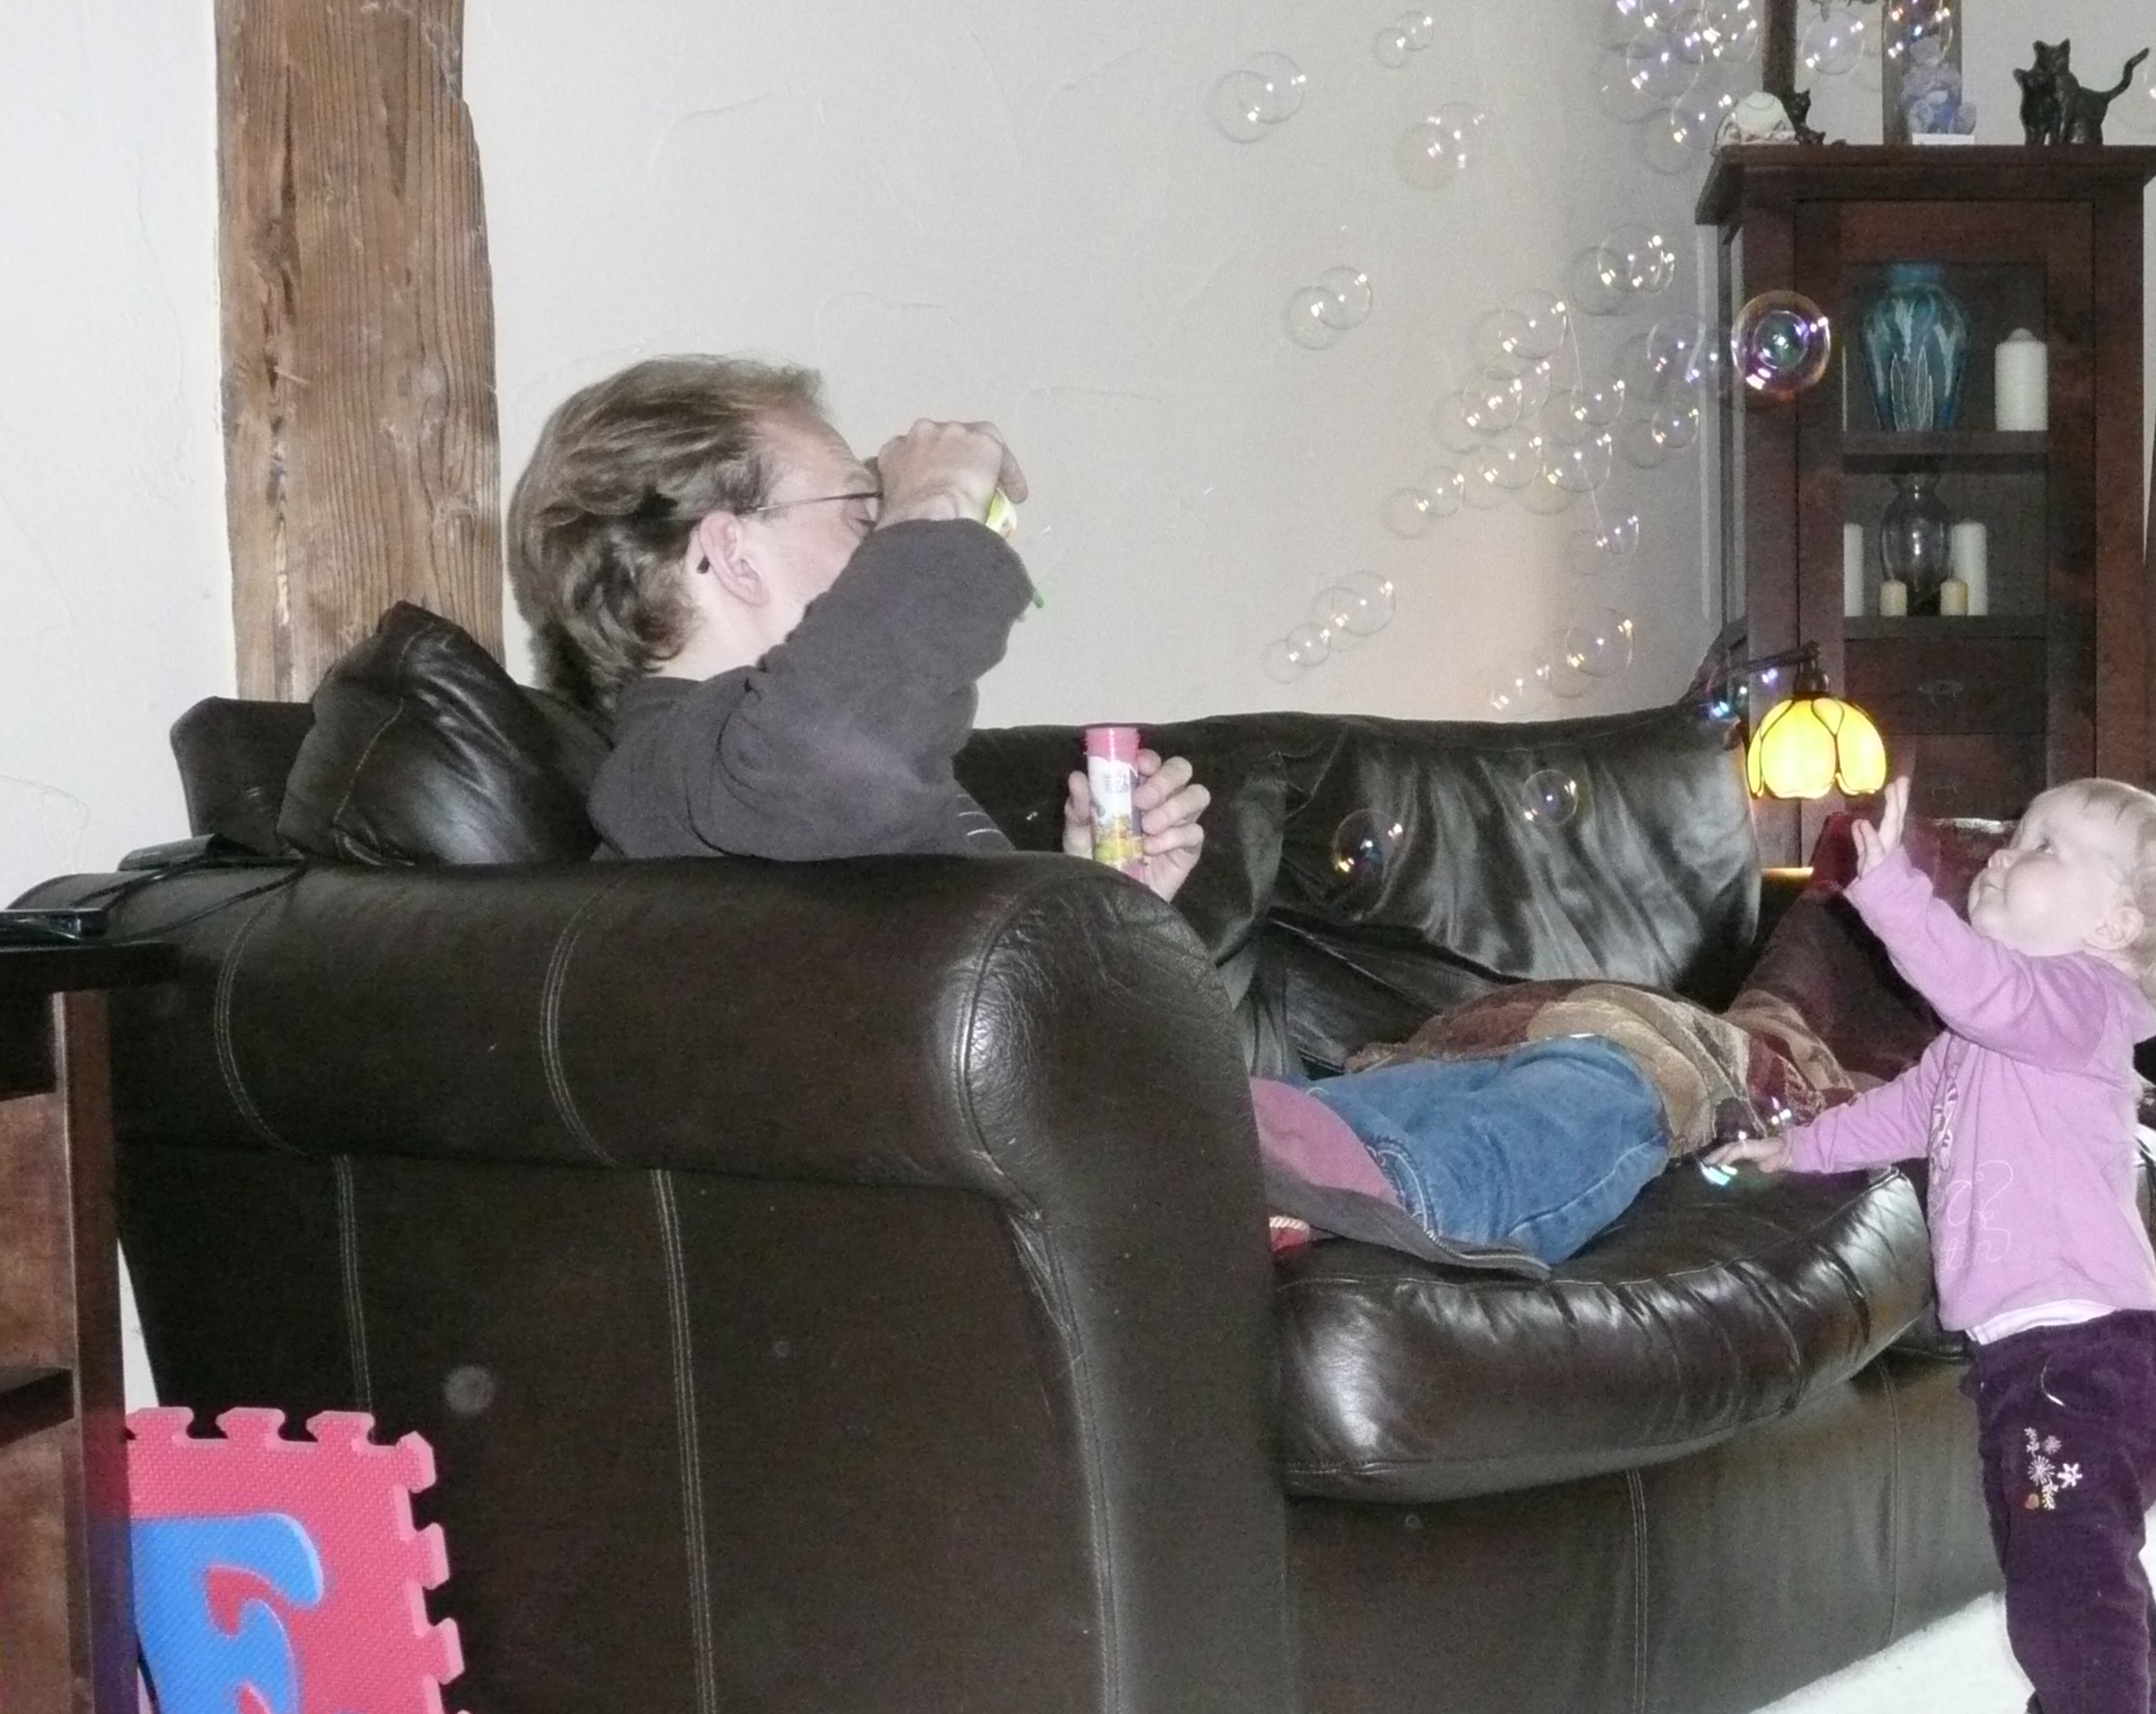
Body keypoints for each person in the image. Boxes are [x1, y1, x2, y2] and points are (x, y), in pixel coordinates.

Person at [506, 354, 1714, 1265]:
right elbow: (836, 752)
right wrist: (939, 501)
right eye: (860, 511)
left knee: (1575, 1054)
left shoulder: (746, 781)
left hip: (1190, 1137)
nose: (885, 540)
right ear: (729, 554)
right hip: (1177, 1188)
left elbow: (969, 1005)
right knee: (1612, 1088)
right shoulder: (677, 765)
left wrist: (1094, 903)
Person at [1711, 774, 2156, 1714]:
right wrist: (1798, 1147)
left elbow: (1980, 986)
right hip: (2042, 1355)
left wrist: (1895, 893)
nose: (2004, 853)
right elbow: (1906, 1113)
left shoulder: (2084, 1005)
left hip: (2085, 1355)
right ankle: (2124, 1685)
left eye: (2044, 847)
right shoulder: (1985, 1040)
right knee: (2074, 1539)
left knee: (2058, 1556)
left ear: (2115, 925)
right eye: (2015, 832)